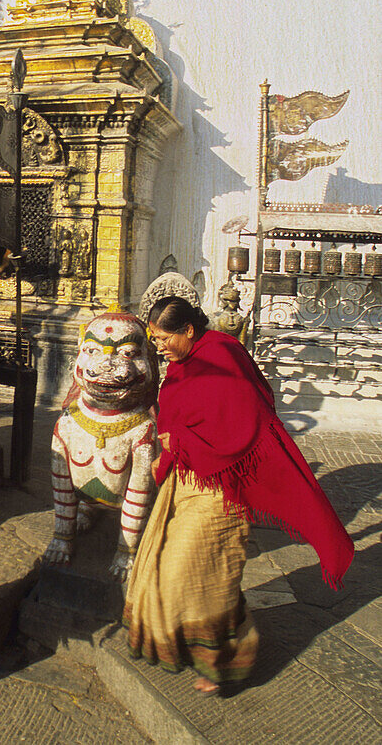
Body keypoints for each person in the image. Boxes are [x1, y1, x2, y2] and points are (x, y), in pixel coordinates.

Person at [123, 296, 353, 695]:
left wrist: (180, 438)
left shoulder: (223, 354)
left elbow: (244, 416)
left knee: (200, 567)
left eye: (162, 338)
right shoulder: (184, 362)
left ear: (188, 331)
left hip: (222, 482)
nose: (157, 346)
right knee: (163, 563)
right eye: (153, 338)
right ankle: (197, 646)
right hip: (186, 477)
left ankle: (228, 657)